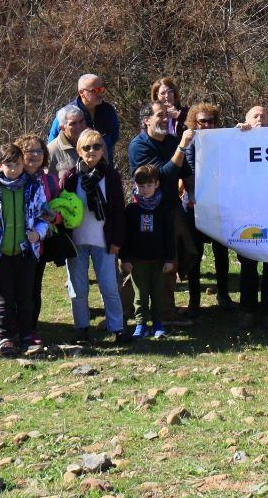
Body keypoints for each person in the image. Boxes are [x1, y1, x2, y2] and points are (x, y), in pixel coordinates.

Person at [0, 142, 49, 357]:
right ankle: (4, 337)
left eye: (17, 164)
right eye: (9, 165)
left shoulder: (34, 186)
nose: (13, 170)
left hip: (25, 252)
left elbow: (44, 216)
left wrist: (38, 233)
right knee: (4, 299)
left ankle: (25, 336)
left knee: (25, 297)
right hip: (0, 253)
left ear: (23, 164)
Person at [126, 101, 194, 324]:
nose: (165, 119)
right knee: (143, 262)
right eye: (160, 115)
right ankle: (135, 312)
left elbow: (185, 171)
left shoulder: (172, 140)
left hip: (171, 209)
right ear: (146, 120)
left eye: (167, 115)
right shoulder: (139, 146)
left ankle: (166, 311)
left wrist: (192, 192)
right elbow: (161, 176)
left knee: (177, 257)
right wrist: (182, 148)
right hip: (145, 213)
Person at [60, 129, 126, 345]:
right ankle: (82, 329)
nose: (92, 151)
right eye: (86, 147)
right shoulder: (70, 177)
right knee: (78, 289)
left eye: (97, 146)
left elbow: (118, 211)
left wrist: (117, 241)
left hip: (104, 242)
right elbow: (63, 209)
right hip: (76, 242)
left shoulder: (111, 176)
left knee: (109, 287)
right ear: (79, 151)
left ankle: (117, 328)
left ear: (103, 150)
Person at [179, 102, 232, 313]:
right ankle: (194, 301)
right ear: (194, 122)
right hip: (194, 202)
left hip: (218, 203)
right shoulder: (190, 141)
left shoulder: (223, 141)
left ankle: (224, 294)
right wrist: (193, 193)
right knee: (194, 252)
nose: (207, 125)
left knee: (221, 251)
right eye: (202, 121)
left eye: (211, 121)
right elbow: (189, 169)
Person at [233, 104, 268, 326]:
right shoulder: (239, 138)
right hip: (248, 213)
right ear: (247, 120)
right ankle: (247, 311)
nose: (260, 119)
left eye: (264, 115)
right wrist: (236, 133)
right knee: (249, 265)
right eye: (255, 116)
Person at [17, 133, 65, 350]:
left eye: (38, 151)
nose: (34, 155)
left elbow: (62, 210)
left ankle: (31, 329)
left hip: (40, 244)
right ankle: (11, 330)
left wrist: (54, 217)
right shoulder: (10, 177)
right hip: (12, 244)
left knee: (33, 289)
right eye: (29, 151)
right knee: (12, 290)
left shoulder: (51, 181)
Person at [121, 163, 176, 340]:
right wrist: (125, 258)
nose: (145, 189)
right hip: (137, 261)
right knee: (140, 294)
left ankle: (158, 324)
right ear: (135, 185)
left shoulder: (164, 208)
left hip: (159, 260)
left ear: (157, 184)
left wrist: (170, 259)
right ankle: (141, 324)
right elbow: (125, 236)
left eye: (149, 185)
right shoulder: (131, 209)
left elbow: (169, 235)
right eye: (141, 185)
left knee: (158, 293)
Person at [46, 74, 121, 162]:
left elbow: (114, 137)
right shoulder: (66, 114)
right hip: (74, 168)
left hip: (104, 168)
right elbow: (52, 144)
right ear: (82, 92)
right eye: (95, 91)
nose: (100, 93)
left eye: (102, 89)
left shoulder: (108, 111)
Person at [46, 104, 88, 184]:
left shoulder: (96, 144)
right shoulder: (52, 151)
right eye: (73, 123)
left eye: (81, 121)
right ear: (62, 127)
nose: (79, 126)